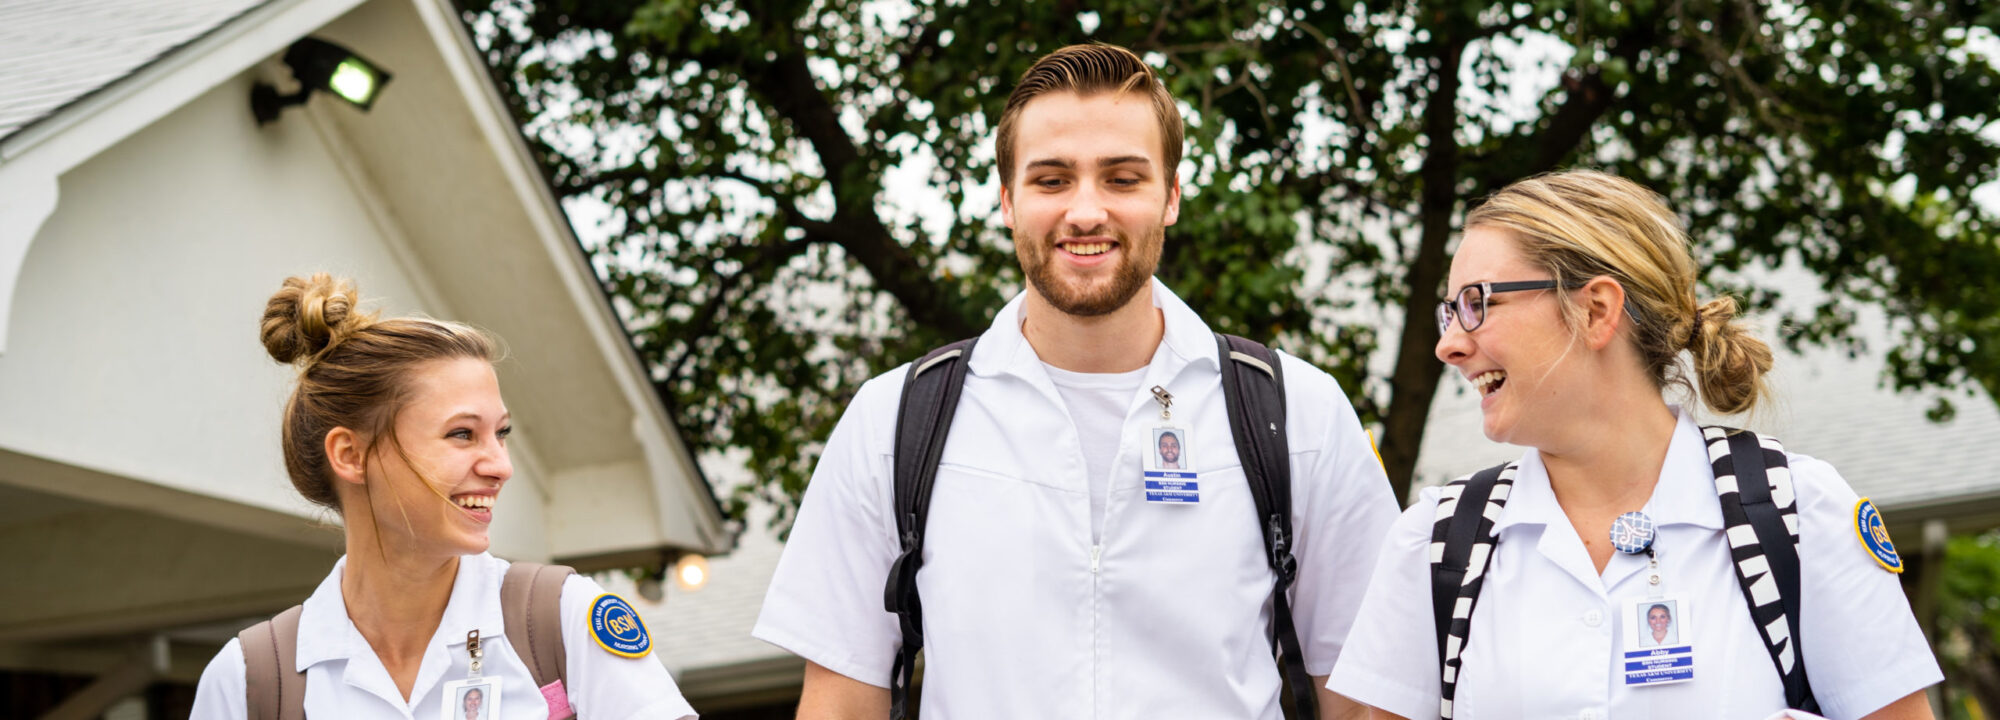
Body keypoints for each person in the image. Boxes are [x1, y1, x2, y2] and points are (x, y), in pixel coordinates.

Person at [753, 43, 1399, 719]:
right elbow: (840, 703)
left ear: (1171, 196)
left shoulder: (1299, 415)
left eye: (1122, 179)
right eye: (1052, 180)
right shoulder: (893, 422)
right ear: (1007, 201)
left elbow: (1364, 702)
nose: (1086, 212)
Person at [1325, 170, 1941, 719]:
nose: (1449, 344)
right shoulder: (1433, 542)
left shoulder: (1801, 512)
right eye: (1448, 312)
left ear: (1596, 309)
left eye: (1477, 303)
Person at [190, 274, 697, 719]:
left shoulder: (562, 618)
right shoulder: (249, 683)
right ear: (350, 454)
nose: (501, 466)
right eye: (462, 434)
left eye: (501, 433)